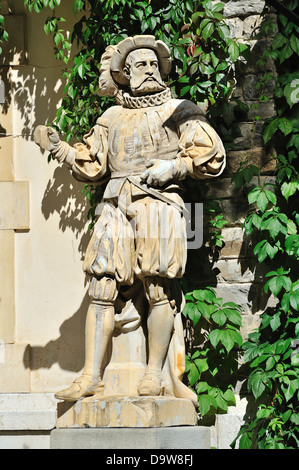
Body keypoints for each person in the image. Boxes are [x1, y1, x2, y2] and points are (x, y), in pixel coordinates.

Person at [34, 35, 226, 402]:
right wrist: (60, 148)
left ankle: (155, 374)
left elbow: (210, 152)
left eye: (155, 64)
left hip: (159, 202)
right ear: (125, 73)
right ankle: (91, 375)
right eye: (141, 64)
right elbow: (93, 164)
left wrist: (176, 165)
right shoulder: (111, 117)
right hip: (116, 204)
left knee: (158, 288)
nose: (150, 69)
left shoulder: (179, 108)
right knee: (101, 286)